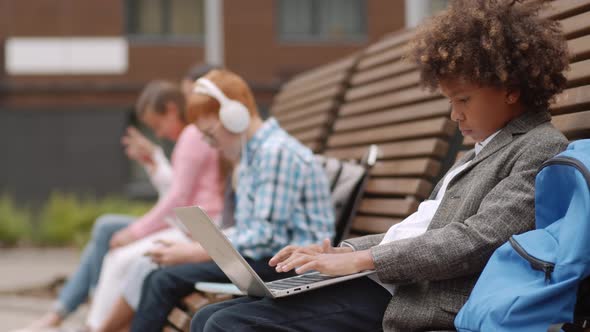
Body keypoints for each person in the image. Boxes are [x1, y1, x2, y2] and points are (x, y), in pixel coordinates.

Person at [191, 1, 571, 331]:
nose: (455, 114)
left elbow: (476, 241)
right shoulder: (484, 149)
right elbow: (421, 230)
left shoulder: (539, 148)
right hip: (388, 282)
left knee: (229, 324)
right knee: (208, 318)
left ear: (510, 88)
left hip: (419, 298)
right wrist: (345, 252)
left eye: (463, 100)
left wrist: (364, 259)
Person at [94, 68, 335, 332]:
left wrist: (195, 252)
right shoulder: (255, 155)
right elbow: (254, 232)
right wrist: (206, 244)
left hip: (294, 268)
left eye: (210, 134)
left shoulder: (274, 153)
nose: (210, 144)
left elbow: (266, 238)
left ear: (236, 118)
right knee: (160, 277)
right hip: (270, 260)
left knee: (163, 280)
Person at [22, 80, 224, 332]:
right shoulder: (194, 138)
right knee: (112, 241)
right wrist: (154, 162)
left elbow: (178, 199)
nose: (159, 133)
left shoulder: (193, 137)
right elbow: (178, 195)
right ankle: (84, 319)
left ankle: (89, 323)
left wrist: (136, 231)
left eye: (158, 125)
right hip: (190, 224)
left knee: (119, 252)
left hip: (194, 227)